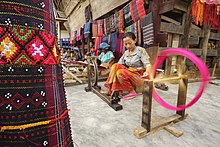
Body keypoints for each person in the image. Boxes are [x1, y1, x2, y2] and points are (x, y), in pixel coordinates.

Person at [104, 32, 151, 100]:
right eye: (126, 44)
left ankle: (132, 91)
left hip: (138, 75)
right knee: (115, 66)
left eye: (130, 43)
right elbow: (119, 64)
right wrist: (107, 70)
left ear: (135, 40)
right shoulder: (126, 53)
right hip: (130, 72)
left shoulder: (141, 50)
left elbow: (148, 64)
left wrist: (147, 72)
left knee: (120, 72)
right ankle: (110, 89)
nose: (128, 46)